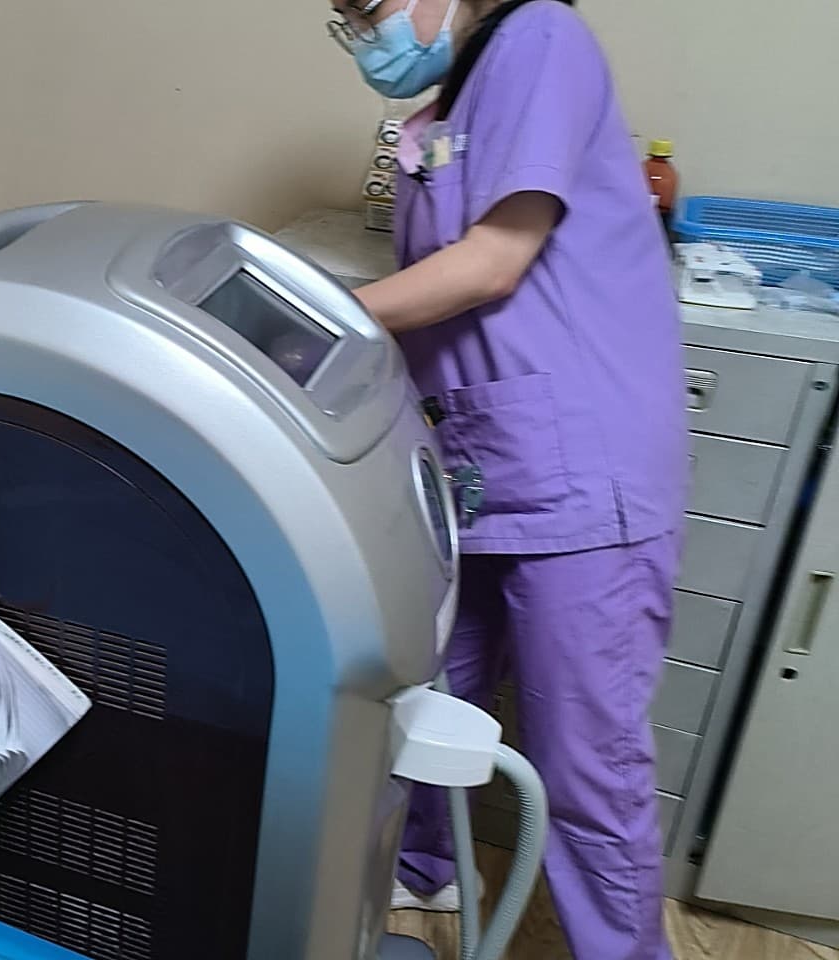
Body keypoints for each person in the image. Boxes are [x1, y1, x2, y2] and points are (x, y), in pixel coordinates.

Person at [326, 2, 688, 958]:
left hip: (583, 466)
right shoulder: (451, 103)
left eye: (368, 7)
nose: (364, 34)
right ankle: (426, 872)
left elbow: (492, 263)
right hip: (485, 462)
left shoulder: (539, 37)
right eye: (344, 19)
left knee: (584, 767)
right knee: (435, 692)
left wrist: (312, 314)